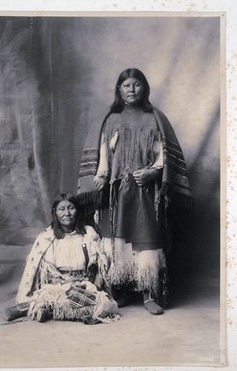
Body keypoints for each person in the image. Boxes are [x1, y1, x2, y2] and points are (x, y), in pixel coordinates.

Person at [77, 68, 193, 315]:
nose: (131, 90)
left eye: (137, 85)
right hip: (116, 192)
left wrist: (153, 172)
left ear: (145, 88)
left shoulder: (154, 118)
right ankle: (119, 289)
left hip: (145, 190)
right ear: (119, 89)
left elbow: (163, 156)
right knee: (116, 240)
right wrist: (101, 175)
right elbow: (104, 153)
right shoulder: (110, 119)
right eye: (126, 85)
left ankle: (149, 293)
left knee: (146, 240)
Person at [4, 193, 119, 324]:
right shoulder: (47, 236)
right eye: (62, 209)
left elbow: (98, 265)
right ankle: (46, 305)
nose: (67, 213)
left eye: (71, 208)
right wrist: (62, 282)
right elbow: (38, 269)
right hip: (56, 286)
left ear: (78, 211)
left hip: (83, 284)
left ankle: (46, 309)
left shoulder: (88, 234)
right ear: (55, 213)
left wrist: (88, 282)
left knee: (105, 305)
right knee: (53, 295)